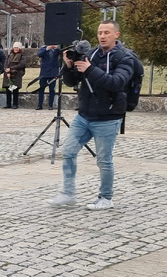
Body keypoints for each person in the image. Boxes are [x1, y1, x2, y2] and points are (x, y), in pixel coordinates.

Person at [48, 22, 133, 211]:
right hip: (84, 115)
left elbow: (116, 82)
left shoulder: (125, 58)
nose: (102, 36)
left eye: (107, 32)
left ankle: (106, 197)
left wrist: (89, 69)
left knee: (103, 160)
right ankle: (68, 194)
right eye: (100, 32)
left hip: (108, 117)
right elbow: (73, 82)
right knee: (68, 151)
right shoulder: (91, 54)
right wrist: (68, 66)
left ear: (116, 34)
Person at [37, 43, 61, 110]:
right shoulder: (44, 48)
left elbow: (61, 53)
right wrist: (47, 49)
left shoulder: (56, 50)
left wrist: (57, 48)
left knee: (52, 89)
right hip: (44, 73)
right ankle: (40, 104)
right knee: (41, 89)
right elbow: (39, 54)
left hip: (53, 73)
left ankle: (50, 105)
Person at [4, 41, 27, 109]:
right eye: (15, 47)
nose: (16, 49)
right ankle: (8, 104)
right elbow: (6, 63)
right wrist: (7, 71)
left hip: (17, 74)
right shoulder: (10, 55)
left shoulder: (22, 55)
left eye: (17, 48)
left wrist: (11, 68)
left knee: (15, 90)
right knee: (8, 89)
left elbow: (21, 64)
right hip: (8, 74)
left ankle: (15, 104)